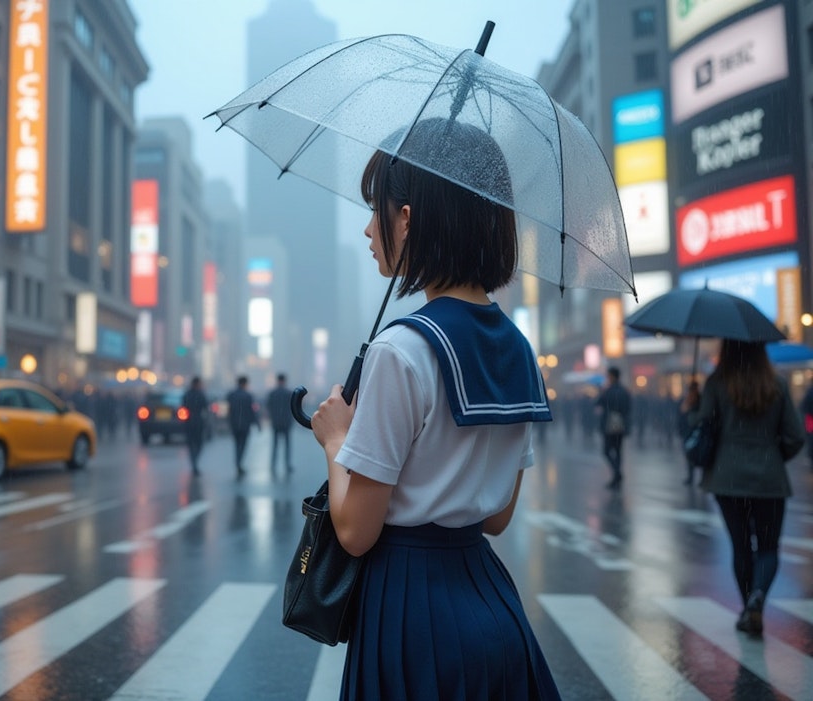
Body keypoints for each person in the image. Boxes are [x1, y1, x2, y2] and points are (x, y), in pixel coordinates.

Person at [310, 119, 560, 699]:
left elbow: (354, 531)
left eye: (377, 209)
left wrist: (334, 440)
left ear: (408, 218)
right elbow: (495, 516)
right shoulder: (519, 349)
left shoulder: (401, 350)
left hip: (411, 614)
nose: (368, 228)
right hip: (493, 606)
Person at [697, 339, 804, 638]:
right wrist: (772, 457)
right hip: (770, 480)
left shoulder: (717, 383)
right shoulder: (777, 385)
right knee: (768, 548)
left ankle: (748, 607)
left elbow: (703, 428)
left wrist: (692, 406)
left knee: (742, 547)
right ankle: (758, 597)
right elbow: (795, 436)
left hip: (728, 479)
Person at [595, 366, 632, 489]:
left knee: (606, 451)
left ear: (612, 376)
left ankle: (617, 474)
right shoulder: (624, 391)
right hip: (621, 425)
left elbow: (598, 402)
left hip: (609, 425)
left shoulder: (608, 391)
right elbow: (628, 408)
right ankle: (617, 475)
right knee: (618, 451)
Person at [227, 376, 260, 477]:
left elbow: (229, 410)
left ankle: (238, 463)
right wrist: (257, 424)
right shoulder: (248, 396)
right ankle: (239, 463)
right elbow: (251, 411)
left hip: (235, 424)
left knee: (237, 445)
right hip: (245, 425)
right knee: (243, 445)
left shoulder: (231, 395)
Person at [266, 372, 294, 472]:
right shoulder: (289, 393)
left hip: (276, 422)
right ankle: (287, 465)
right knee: (287, 445)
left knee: (275, 445)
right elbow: (293, 408)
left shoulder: (272, 393)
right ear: (284, 381)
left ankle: (273, 464)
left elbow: (268, 406)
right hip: (286, 422)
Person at [182, 377, 209, 475]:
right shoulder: (201, 394)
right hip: (198, 422)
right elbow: (206, 407)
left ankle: (194, 463)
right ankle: (194, 463)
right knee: (198, 444)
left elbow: (183, 407)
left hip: (189, 422)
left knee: (191, 444)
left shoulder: (187, 395)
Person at [678, 380, 702, 485]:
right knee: (688, 453)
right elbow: (681, 416)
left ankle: (694, 476)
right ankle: (691, 475)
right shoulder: (686, 400)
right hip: (688, 430)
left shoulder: (699, 400)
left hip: (696, 430)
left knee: (697, 452)